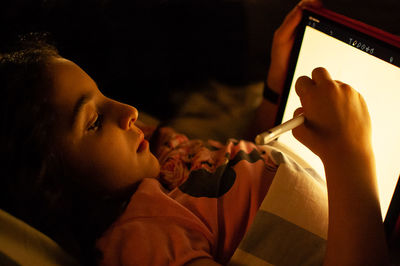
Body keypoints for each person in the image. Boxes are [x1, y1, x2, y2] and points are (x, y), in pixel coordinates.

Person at [0, 0, 389, 265]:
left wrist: (274, 87)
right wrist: (350, 157)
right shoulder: (141, 240)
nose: (129, 112)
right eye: (95, 120)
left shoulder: (147, 155)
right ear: (50, 187)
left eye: (105, 96)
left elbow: (238, 171)